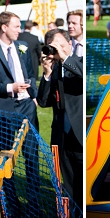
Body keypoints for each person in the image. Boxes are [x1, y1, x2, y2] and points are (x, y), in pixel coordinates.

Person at [38, 28, 83, 207]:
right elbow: (43, 101)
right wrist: (47, 74)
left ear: (70, 45)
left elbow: (81, 75)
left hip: (79, 134)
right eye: (53, 48)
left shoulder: (78, 62)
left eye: (61, 46)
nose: (57, 51)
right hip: (61, 137)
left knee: (83, 182)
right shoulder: (54, 68)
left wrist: (65, 58)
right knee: (69, 183)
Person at [0, 11, 38, 132]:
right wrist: (11, 87)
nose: (19, 30)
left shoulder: (23, 46)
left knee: (31, 149)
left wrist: (33, 97)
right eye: (16, 27)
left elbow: (30, 74)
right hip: (4, 107)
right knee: (7, 148)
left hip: (27, 104)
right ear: (4, 27)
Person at [19, 20, 43, 86]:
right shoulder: (34, 38)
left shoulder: (19, 36)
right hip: (33, 60)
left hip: (21, 60)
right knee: (33, 80)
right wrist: (39, 60)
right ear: (31, 28)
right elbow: (38, 50)